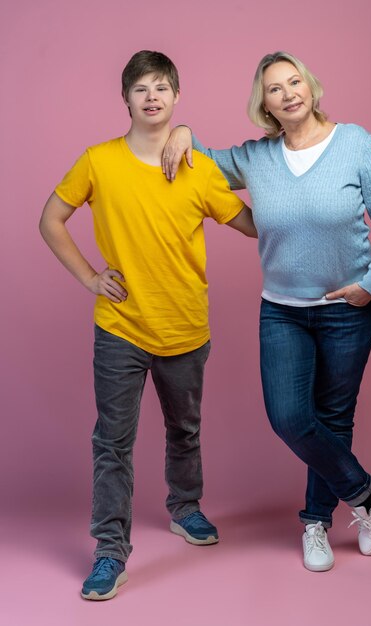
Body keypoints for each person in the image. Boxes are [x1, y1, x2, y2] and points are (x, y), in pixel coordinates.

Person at [162, 51, 371, 572]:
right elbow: (199, 161)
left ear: (311, 88)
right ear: (265, 104)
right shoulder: (255, 157)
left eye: (294, 81)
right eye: (274, 89)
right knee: (291, 418)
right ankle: (368, 494)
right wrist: (181, 127)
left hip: (348, 310)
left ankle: (316, 522)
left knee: (334, 419)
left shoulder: (356, 143)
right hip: (282, 312)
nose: (288, 93)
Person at [39, 50, 257, 600]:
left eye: (162, 87)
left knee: (184, 430)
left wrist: (294, 195)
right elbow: (51, 219)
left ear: (176, 96)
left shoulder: (198, 167)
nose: (152, 96)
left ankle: (185, 509)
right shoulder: (98, 161)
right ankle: (110, 552)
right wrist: (90, 277)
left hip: (186, 326)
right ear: (127, 99)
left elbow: (252, 225)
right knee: (112, 442)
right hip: (121, 327)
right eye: (141, 88)